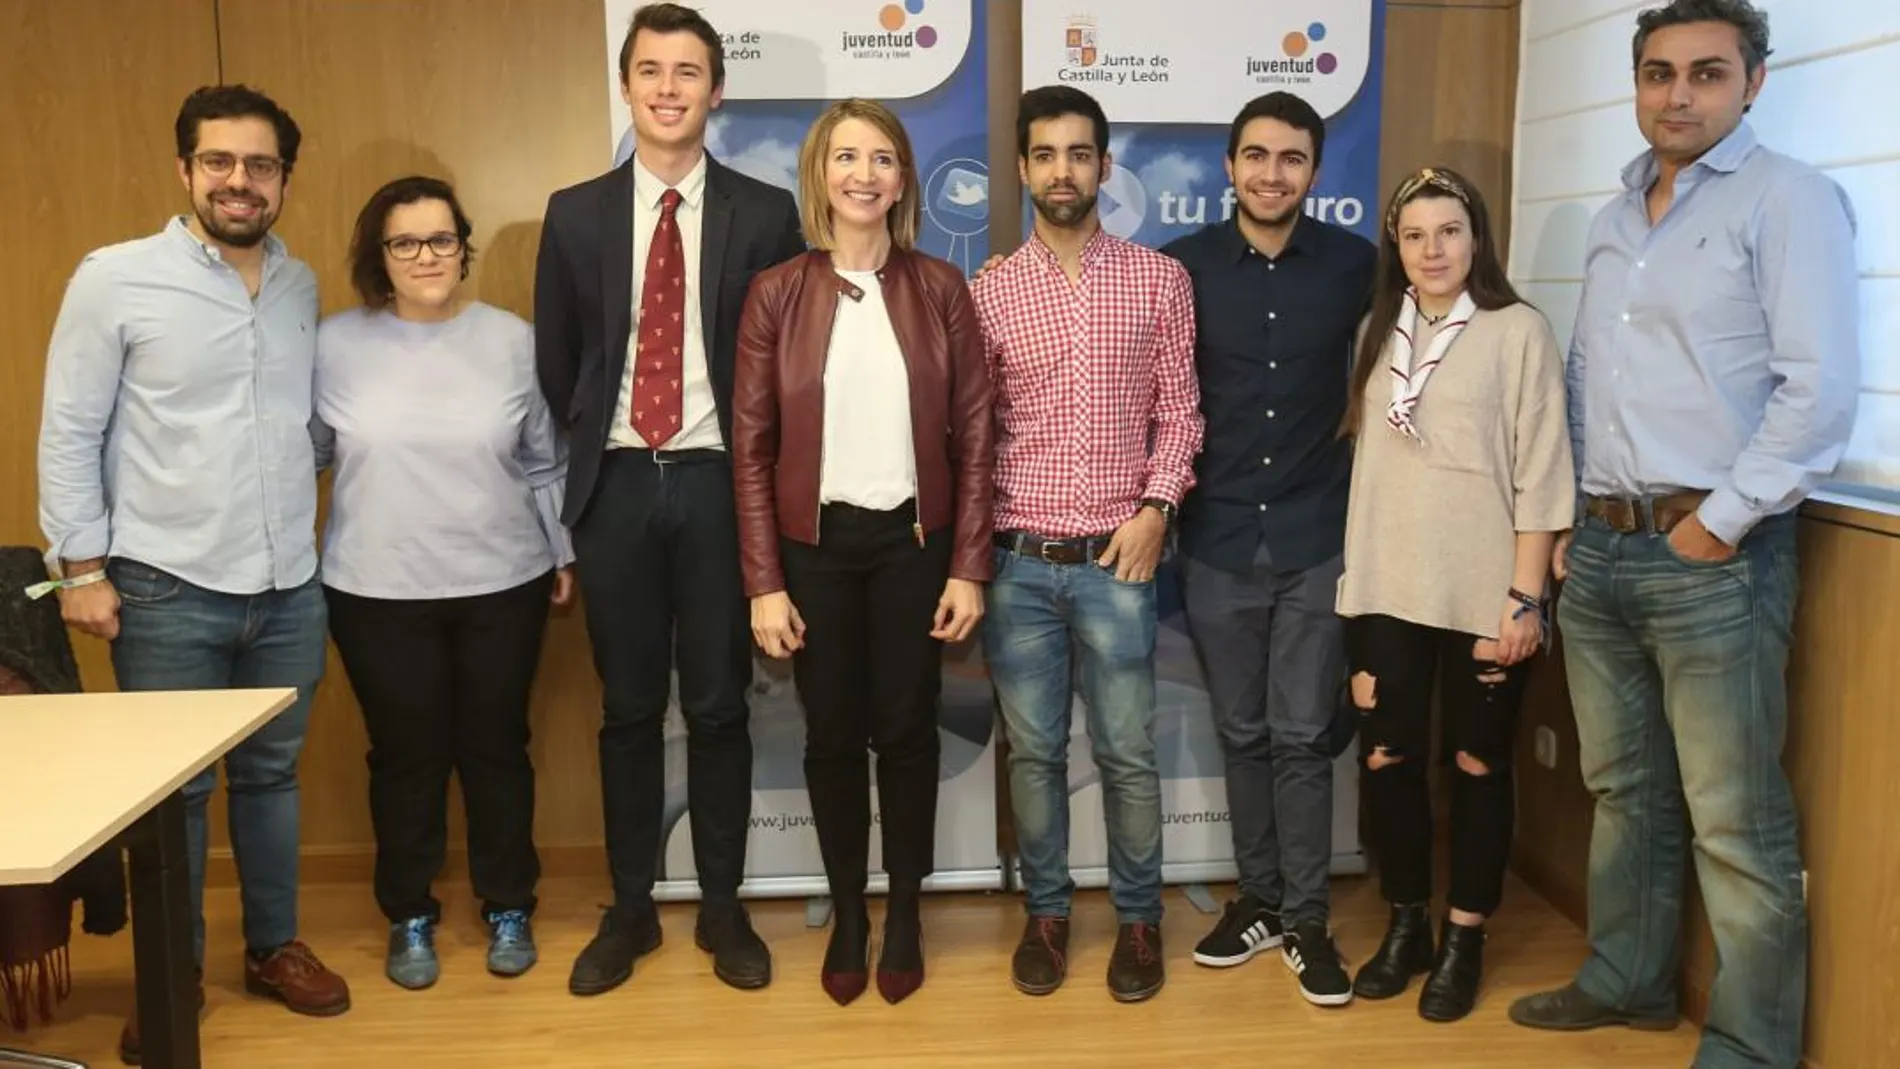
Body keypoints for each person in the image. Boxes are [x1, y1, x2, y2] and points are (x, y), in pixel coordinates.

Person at [1510, 2, 1859, 1064]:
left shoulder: (1790, 199)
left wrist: (1717, 523)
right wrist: (1573, 517)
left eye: (1706, 73)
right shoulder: (1617, 210)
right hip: (1606, 549)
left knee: (1733, 821)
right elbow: (1586, 379)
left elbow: (1820, 392)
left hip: (1715, 557)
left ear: (1752, 81)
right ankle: (1629, 978)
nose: (1678, 94)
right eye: (1658, 73)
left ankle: (1751, 1045)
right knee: (1623, 790)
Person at [36, 84, 351, 1062]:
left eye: (259, 166)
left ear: (283, 180)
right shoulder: (115, 278)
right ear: (185, 171)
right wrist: (79, 567)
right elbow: (69, 428)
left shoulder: (298, 288)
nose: (239, 182)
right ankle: (170, 975)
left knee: (271, 776)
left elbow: (306, 425)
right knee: (172, 799)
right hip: (166, 586)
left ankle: (272, 946)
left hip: (288, 585)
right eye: (219, 162)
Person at [533, 2, 806, 996]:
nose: (667, 87)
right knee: (628, 709)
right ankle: (633, 911)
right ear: (625, 83)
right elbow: (559, 365)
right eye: (649, 69)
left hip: (718, 485)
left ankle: (724, 911)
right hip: (613, 490)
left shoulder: (765, 211)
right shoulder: (574, 212)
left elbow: (781, 369)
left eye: (687, 71)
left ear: (715, 91)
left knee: (721, 704)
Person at [730, 99, 993, 1006]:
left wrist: (968, 565)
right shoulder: (776, 293)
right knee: (833, 734)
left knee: (908, 729)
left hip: (914, 547)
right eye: (847, 157)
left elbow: (974, 436)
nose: (864, 175)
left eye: (883, 159)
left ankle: (907, 909)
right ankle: (850, 909)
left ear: (903, 178)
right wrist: (764, 582)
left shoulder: (940, 290)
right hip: (815, 549)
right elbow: (753, 449)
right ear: (821, 173)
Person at [312, 176, 575, 991]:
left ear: (464, 247)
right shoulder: (330, 344)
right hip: (375, 588)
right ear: (378, 256)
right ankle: (410, 914)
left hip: (503, 579)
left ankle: (508, 903)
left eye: (442, 239)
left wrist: (562, 553)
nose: (426, 256)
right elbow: (307, 454)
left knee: (496, 747)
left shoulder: (512, 339)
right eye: (405, 242)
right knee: (406, 756)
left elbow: (545, 459)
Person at [971, 85, 1203, 1004]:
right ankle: (1049, 913)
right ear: (1023, 168)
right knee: (1033, 755)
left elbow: (1180, 412)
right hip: (1018, 564)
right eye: (1045, 154)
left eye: (1079, 153)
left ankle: (1140, 920)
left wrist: (1155, 509)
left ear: (1106, 166)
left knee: (1125, 752)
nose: (1062, 170)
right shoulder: (987, 291)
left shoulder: (1158, 280)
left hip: (1121, 558)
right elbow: (976, 432)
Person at [1335, 166, 1574, 1022]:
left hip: (1483, 590)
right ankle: (1407, 923)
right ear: (1395, 249)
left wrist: (1524, 598)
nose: (1432, 250)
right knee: (1386, 759)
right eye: (1414, 235)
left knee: (1477, 764)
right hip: (1385, 586)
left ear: (1477, 241)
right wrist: (1354, 587)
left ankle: (1465, 932)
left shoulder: (1518, 332)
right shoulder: (1377, 328)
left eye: (1449, 232)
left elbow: (1545, 469)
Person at [1160, 91, 1376, 1007]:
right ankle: (1257, 898)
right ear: (1229, 165)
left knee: (1298, 734)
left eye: (1291, 158)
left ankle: (1308, 920)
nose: (1271, 173)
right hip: (1214, 540)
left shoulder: (1363, 265)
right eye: (1256, 155)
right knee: (1242, 731)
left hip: (1318, 534)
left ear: (1316, 173)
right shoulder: (1183, 267)